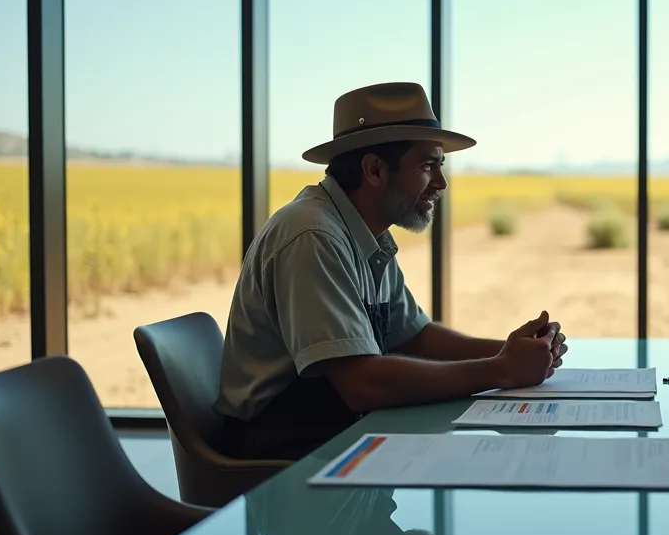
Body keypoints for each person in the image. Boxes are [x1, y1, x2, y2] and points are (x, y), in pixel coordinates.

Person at [214, 81, 567, 460]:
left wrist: (514, 352)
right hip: (280, 461)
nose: (441, 183)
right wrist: (501, 370)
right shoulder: (313, 235)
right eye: (428, 166)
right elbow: (362, 384)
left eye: (440, 166)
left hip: (331, 437)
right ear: (375, 170)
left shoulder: (366, 233)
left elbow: (415, 337)